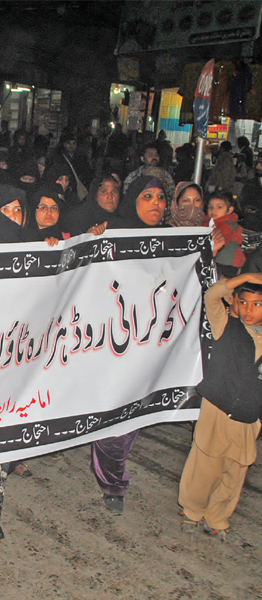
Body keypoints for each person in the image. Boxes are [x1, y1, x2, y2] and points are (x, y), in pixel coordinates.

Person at [92, 175, 168, 515]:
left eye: (162, 198)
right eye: (147, 196)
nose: (156, 203)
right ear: (133, 200)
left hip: (149, 345)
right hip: (112, 344)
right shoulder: (113, 235)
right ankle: (113, 482)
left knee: (132, 416)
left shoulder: (172, 243)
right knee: (114, 419)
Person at [178, 272, 262, 541]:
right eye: (244, 302)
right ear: (235, 303)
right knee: (205, 465)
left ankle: (217, 517)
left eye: (257, 304)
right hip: (217, 408)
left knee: (235, 470)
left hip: (249, 415)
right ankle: (192, 511)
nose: (248, 310)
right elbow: (212, 295)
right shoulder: (225, 324)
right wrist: (248, 276)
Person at [206, 191, 245, 277]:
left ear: (230, 210)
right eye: (210, 207)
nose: (213, 210)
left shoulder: (226, 225)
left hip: (226, 264)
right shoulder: (210, 222)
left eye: (219, 207)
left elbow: (220, 242)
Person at [239, 154, 262, 231]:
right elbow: (243, 204)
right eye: (257, 163)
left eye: (261, 164)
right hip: (252, 228)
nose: (257, 167)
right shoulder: (251, 184)